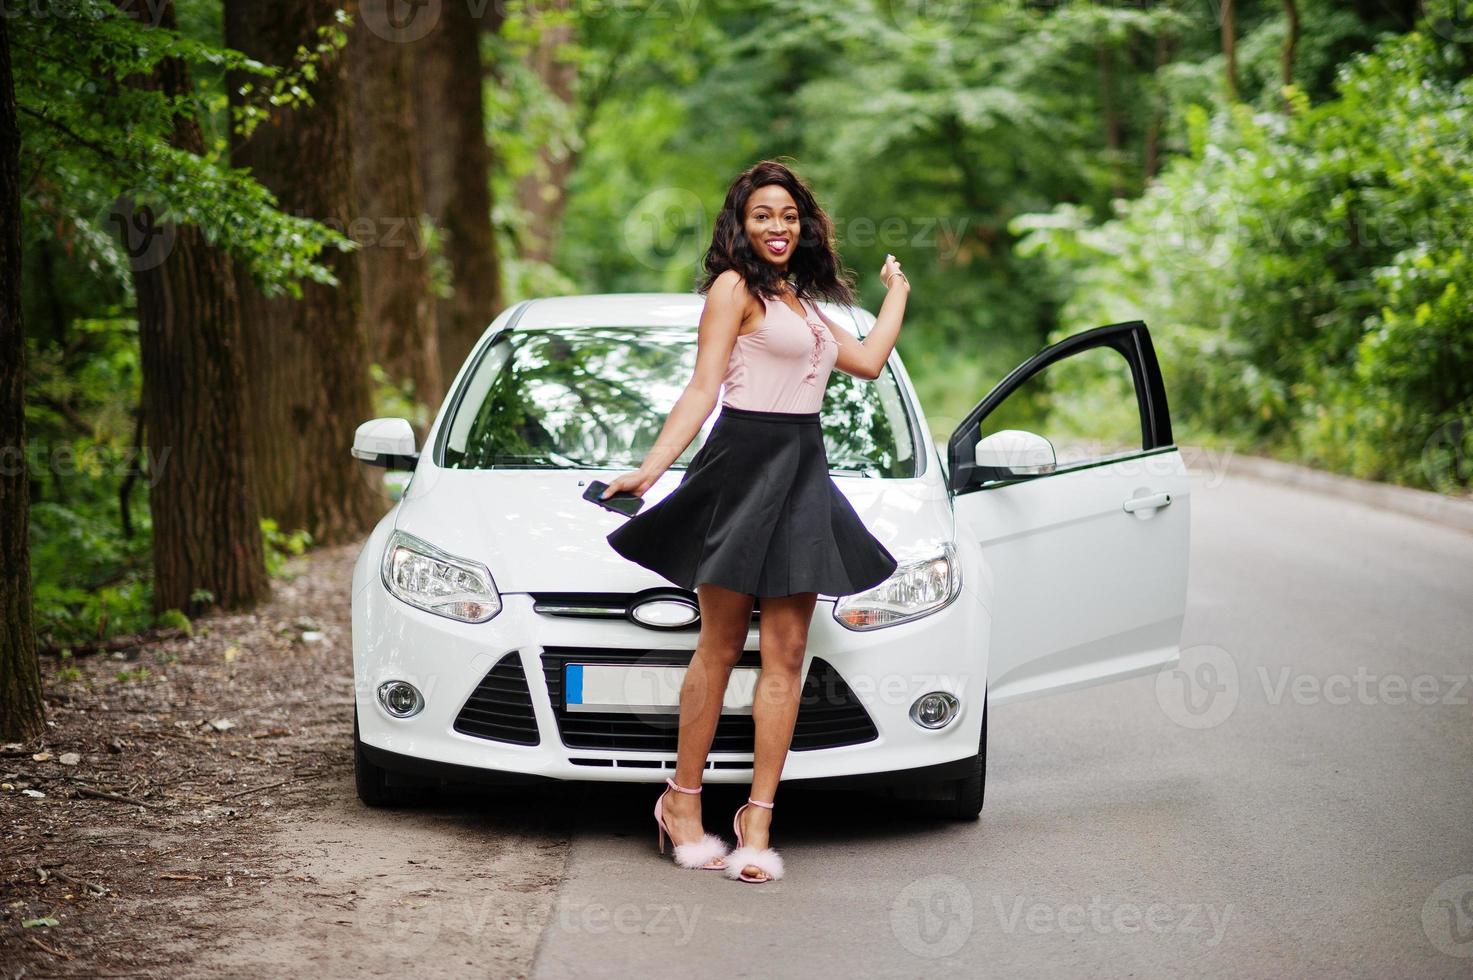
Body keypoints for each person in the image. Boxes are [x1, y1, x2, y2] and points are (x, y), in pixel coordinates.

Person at [601, 159, 910, 883]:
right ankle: (681, 802)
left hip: (803, 469)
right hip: (741, 465)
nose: (777, 227)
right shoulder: (733, 290)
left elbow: (865, 361)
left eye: (788, 216)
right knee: (718, 643)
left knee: (788, 649)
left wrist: (896, 293)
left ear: (804, 227)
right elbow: (703, 387)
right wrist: (650, 469)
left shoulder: (800, 302)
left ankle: (757, 819)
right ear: (740, 225)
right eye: (763, 216)